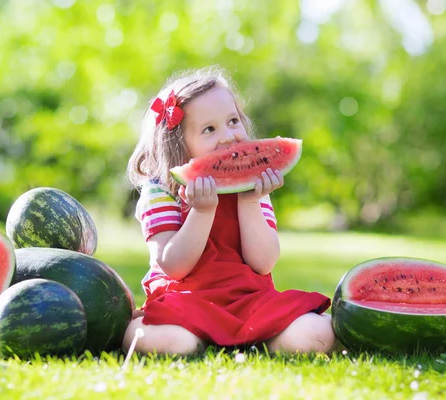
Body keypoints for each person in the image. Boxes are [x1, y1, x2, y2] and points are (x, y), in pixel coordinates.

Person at [124, 66, 335, 355]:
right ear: (177, 145)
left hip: (249, 299)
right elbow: (173, 266)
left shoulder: (253, 185)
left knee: (317, 335)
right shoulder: (161, 191)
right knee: (174, 343)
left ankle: (259, 335)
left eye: (233, 121)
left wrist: (249, 202)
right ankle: (194, 339)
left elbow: (263, 263)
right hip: (185, 301)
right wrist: (201, 211)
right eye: (209, 129)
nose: (228, 137)